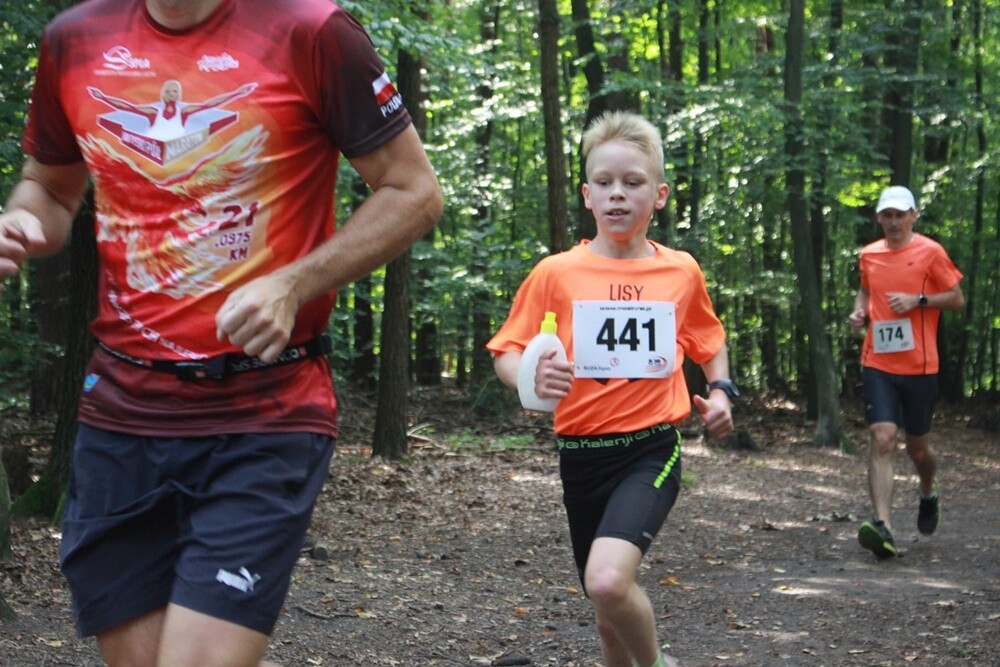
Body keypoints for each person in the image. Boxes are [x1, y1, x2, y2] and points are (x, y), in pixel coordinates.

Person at [0, 1, 442, 665]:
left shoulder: (313, 31)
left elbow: (414, 190)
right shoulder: (74, 38)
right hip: (122, 414)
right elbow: (51, 190)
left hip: (265, 412)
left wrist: (293, 282)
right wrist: (21, 226)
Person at [487, 111, 736, 667]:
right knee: (608, 615)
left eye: (632, 182)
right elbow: (508, 350)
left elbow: (708, 340)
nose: (617, 195)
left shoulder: (681, 272)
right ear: (586, 194)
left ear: (661, 194)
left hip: (651, 449)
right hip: (579, 456)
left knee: (605, 582)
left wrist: (720, 392)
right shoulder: (556, 272)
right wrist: (531, 375)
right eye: (604, 183)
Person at [848, 185, 964, 560]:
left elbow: (958, 299)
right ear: (879, 218)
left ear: (913, 215)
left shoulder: (931, 252)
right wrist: (860, 312)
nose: (894, 222)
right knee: (882, 437)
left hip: (921, 366)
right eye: (887, 215)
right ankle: (883, 526)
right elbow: (865, 292)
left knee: (917, 448)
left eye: (901, 215)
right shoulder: (869, 254)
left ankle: (928, 492)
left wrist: (920, 301)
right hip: (878, 361)